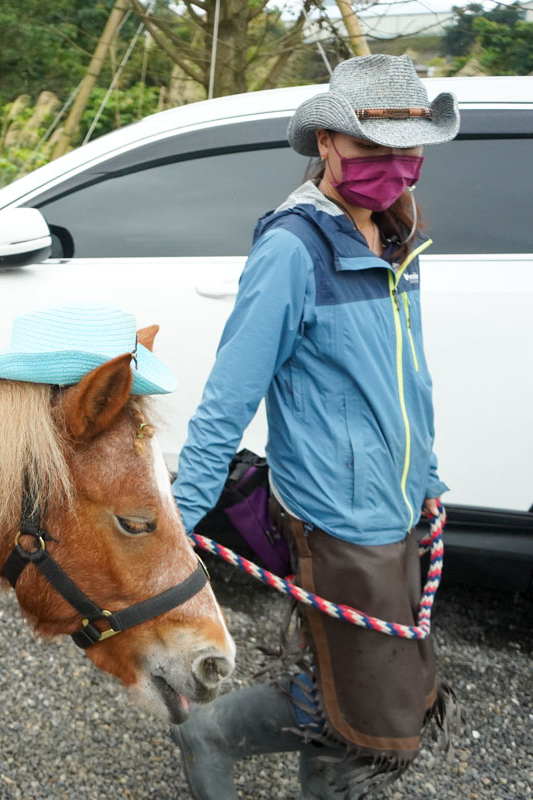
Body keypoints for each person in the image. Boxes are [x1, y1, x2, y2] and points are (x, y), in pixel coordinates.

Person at [168, 54, 457, 799]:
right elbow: (230, 394)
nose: (393, 167)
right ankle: (207, 735)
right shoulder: (292, 249)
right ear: (328, 144)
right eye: (372, 148)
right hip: (333, 518)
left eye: (408, 151)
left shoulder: (396, 242)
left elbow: (410, 380)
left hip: (397, 514)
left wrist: (427, 482)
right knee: (357, 705)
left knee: (364, 692)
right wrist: (181, 521)